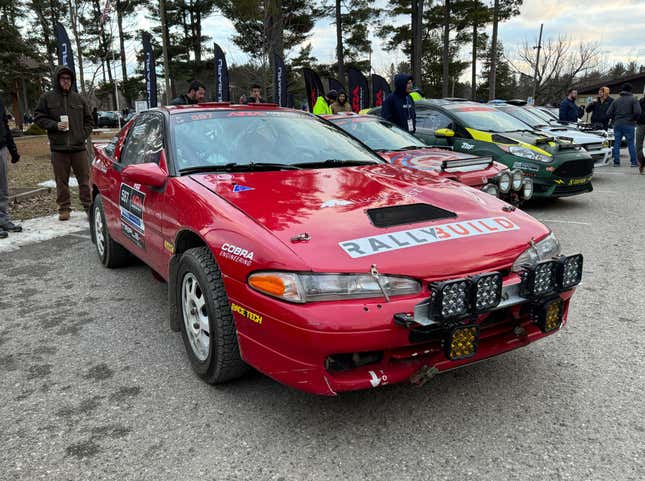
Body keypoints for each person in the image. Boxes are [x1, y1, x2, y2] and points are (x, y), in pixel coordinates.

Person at [34, 65, 93, 221]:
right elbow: (39, 118)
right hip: (58, 149)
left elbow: (89, 120)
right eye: (63, 78)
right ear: (57, 80)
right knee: (61, 182)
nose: (66, 81)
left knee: (84, 181)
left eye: (68, 79)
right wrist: (54, 125)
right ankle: (64, 208)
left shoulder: (79, 99)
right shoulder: (47, 98)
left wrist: (82, 135)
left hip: (78, 148)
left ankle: (89, 207)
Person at [0, 98, 22, 238]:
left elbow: (4, 125)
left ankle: (3, 220)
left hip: (1, 147)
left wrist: (13, 150)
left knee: (3, 188)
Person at [607, 82, 642, 167]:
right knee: (630, 143)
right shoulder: (633, 99)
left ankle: (616, 162)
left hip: (617, 124)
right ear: (630, 90)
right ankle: (634, 162)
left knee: (616, 143)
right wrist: (634, 119)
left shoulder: (616, 100)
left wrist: (615, 118)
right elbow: (638, 112)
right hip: (629, 124)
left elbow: (608, 113)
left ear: (622, 90)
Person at [635, 86, 645, 173]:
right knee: (638, 144)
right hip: (641, 124)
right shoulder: (640, 101)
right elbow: (636, 112)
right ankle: (640, 162)